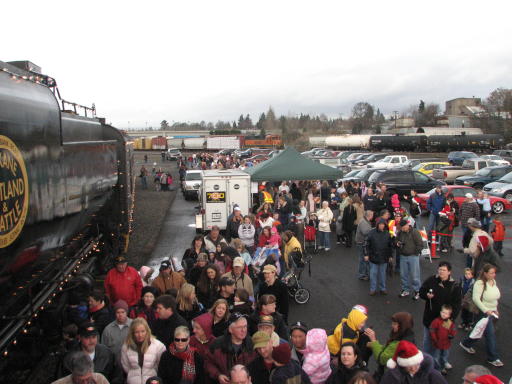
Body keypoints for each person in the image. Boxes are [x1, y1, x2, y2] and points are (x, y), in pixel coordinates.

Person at [459, 264, 503, 367]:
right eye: (491, 273)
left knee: (479, 329)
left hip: (491, 312)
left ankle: (466, 343)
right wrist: (486, 310)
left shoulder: (493, 282)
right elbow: (476, 299)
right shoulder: (479, 283)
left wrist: (495, 309)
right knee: (490, 334)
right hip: (483, 313)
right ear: (485, 273)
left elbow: (494, 298)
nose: (494, 275)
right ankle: (493, 358)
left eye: (494, 273)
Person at [419, 261, 461, 355]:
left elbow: (457, 305)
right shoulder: (431, 280)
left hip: (446, 321)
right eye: (440, 269)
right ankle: (426, 361)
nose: (441, 272)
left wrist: (450, 320)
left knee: (443, 342)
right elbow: (421, 291)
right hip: (430, 318)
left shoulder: (455, 286)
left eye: (444, 270)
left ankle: (442, 362)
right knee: (428, 342)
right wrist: (426, 295)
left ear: (449, 272)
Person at [206, 313, 257, 384]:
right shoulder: (217, 344)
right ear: (230, 329)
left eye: (245, 326)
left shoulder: (252, 344)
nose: (243, 330)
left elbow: (257, 368)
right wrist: (218, 375)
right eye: (239, 327)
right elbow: (208, 363)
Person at [364, 312, 415, 380]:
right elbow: (387, 350)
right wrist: (374, 345)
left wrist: (373, 341)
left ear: (402, 326)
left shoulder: (400, 344)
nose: (392, 325)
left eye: (395, 324)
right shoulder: (408, 338)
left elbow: (381, 359)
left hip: (387, 377)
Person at [121, 318, 166, 384]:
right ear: (132, 333)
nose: (140, 335)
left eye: (143, 331)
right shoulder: (126, 347)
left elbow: (161, 366)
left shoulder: (158, 346)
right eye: (137, 332)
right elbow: (126, 366)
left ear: (147, 331)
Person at [381, 340, 446, 384]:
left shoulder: (432, 375)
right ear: (402, 365)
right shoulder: (393, 376)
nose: (413, 368)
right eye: (409, 366)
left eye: (416, 364)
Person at [396, 219, 423, 300]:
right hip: (403, 256)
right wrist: (397, 243)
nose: (403, 229)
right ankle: (406, 289)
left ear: (407, 225)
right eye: (402, 228)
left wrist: (415, 253)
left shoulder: (415, 232)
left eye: (404, 227)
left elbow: (420, 244)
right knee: (403, 275)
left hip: (413, 256)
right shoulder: (400, 233)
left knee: (415, 275)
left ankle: (417, 291)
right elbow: (396, 240)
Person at [364, 218, 393, 296]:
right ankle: (373, 289)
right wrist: (366, 254)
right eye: (380, 224)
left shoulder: (387, 233)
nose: (382, 226)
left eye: (383, 224)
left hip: (384, 258)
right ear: (377, 225)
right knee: (373, 274)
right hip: (374, 257)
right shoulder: (371, 233)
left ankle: (382, 289)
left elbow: (390, 246)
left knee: (382, 274)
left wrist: (390, 256)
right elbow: (366, 244)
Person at [102, 299, 133, 364]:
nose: (120, 315)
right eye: (118, 312)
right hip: (114, 364)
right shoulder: (108, 329)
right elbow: (104, 349)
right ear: (115, 313)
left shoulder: (134, 325)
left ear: (126, 312)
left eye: (123, 312)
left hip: (131, 363)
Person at [429, 305, 456, 374]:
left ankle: (445, 362)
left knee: (445, 354)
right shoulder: (436, 321)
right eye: (443, 312)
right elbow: (432, 330)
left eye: (446, 313)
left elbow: (452, 330)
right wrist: (435, 339)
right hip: (437, 343)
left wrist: (452, 335)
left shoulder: (448, 322)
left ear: (449, 315)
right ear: (440, 312)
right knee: (437, 356)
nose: (444, 314)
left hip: (446, 343)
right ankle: (439, 369)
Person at [355, 210, 373, 281]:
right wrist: (372, 230)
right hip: (361, 242)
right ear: (370, 215)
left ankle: (365, 273)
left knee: (364, 259)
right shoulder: (363, 222)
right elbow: (365, 232)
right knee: (362, 259)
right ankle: (362, 275)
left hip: (361, 242)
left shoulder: (365, 221)